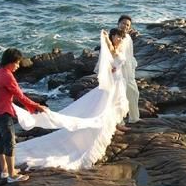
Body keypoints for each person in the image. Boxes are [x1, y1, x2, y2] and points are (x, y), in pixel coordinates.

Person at [13, 29, 129, 170]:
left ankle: (114, 127)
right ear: (113, 37)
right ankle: (104, 130)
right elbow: (111, 55)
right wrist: (105, 39)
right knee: (104, 108)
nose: (120, 39)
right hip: (112, 84)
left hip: (118, 81)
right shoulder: (112, 49)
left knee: (114, 106)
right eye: (118, 37)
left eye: (121, 38)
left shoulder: (119, 48)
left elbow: (117, 61)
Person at [0, 48, 47, 183]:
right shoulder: (7, 76)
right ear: (10, 62)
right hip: (4, 113)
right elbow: (20, 96)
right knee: (10, 143)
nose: (18, 66)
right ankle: (12, 175)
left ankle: (4, 170)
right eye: (16, 63)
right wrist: (36, 106)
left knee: (1, 141)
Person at [116, 15, 140, 125]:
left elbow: (130, 54)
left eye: (127, 25)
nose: (125, 26)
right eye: (123, 23)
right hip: (119, 70)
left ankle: (134, 118)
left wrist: (133, 65)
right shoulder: (115, 36)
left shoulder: (128, 37)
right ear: (118, 24)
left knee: (134, 93)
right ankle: (119, 122)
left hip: (129, 70)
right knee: (119, 96)